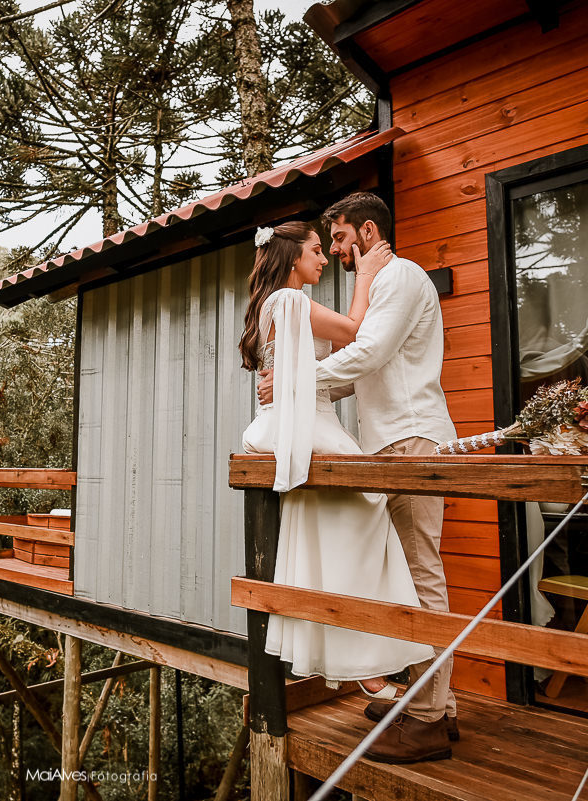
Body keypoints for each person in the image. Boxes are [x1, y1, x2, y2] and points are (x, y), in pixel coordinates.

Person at [258, 192, 459, 763]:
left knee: (420, 573)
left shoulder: (400, 277)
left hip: (411, 440)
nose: (336, 252)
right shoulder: (380, 285)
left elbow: (366, 352)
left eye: (341, 239)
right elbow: (359, 373)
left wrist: (299, 377)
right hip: (388, 444)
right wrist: (301, 383)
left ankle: (427, 719)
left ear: (367, 232)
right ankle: (434, 703)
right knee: (402, 574)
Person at [239, 220, 434, 704]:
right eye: (314, 250)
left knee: (330, 535)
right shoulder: (291, 300)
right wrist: (364, 276)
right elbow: (353, 333)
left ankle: (359, 657)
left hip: (299, 418)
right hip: (310, 424)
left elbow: (321, 364)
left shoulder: (273, 304)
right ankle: (365, 659)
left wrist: (295, 379)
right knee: (368, 518)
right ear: (292, 257)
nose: (324, 258)